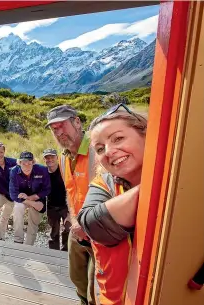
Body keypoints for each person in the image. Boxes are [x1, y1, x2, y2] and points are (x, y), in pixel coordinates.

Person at [77, 104, 148, 305]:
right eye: (100, 149)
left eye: (118, 138)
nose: (109, 151)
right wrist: (153, 186)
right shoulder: (104, 184)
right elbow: (92, 224)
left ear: (146, 135)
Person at [45, 104, 97, 305]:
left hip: (99, 230)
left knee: (98, 287)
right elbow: (71, 190)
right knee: (77, 277)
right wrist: (74, 219)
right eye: (53, 129)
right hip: (77, 226)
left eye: (61, 125)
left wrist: (86, 224)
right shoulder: (64, 156)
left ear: (77, 122)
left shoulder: (97, 150)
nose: (58, 132)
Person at [9, 151, 50, 245]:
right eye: (24, 163)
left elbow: (47, 189)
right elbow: (13, 194)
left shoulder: (43, 170)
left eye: (29, 163)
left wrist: (32, 198)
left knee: (34, 218)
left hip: (37, 198)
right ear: (19, 163)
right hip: (22, 199)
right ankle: (18, 239)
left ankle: (29, 245)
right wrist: (32, 203)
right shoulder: (14, 171)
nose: (27, 166)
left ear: (33, 162)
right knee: (18, 207)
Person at [43, 148, 70, 251]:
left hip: (65, 205)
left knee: (68, 229)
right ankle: (53, 254)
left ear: (57, 158)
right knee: (54, 231)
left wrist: (70, 211)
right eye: (47, 158)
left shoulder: (64, 171)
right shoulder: (44, 172)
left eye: (52, 157)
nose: (50, 160)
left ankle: (66, 252)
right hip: (51, 206)